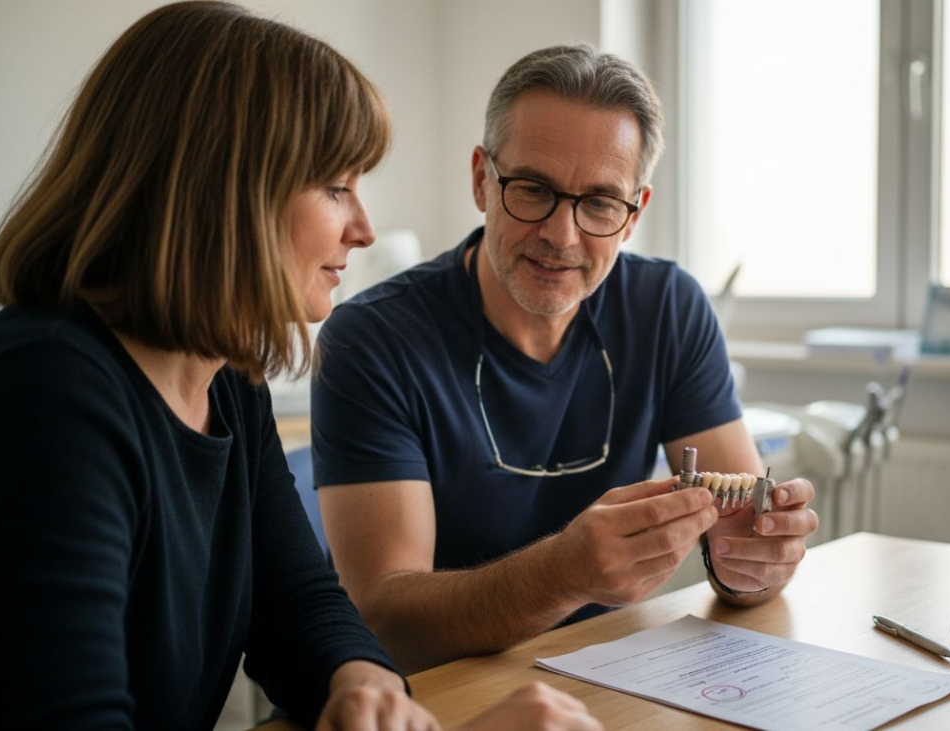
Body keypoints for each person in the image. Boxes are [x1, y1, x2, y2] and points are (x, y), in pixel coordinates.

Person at [0, 5, 599, 730]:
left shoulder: (227, 383)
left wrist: (358, 679)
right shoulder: (43, 397)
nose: (364, 229)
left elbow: (298, 604)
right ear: (225, 191)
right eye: (336, 186)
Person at [312, 44, 821, 674]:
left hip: (602, 680)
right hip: (431, 697)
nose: (562, 235)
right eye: (533, 189)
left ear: (634, 215)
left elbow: (744, 549)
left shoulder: (667, 308)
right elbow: (385, 625)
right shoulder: (372, 339)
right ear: (481, 180)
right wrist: (561, 575)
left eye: (600, 203)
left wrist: (755, 566)